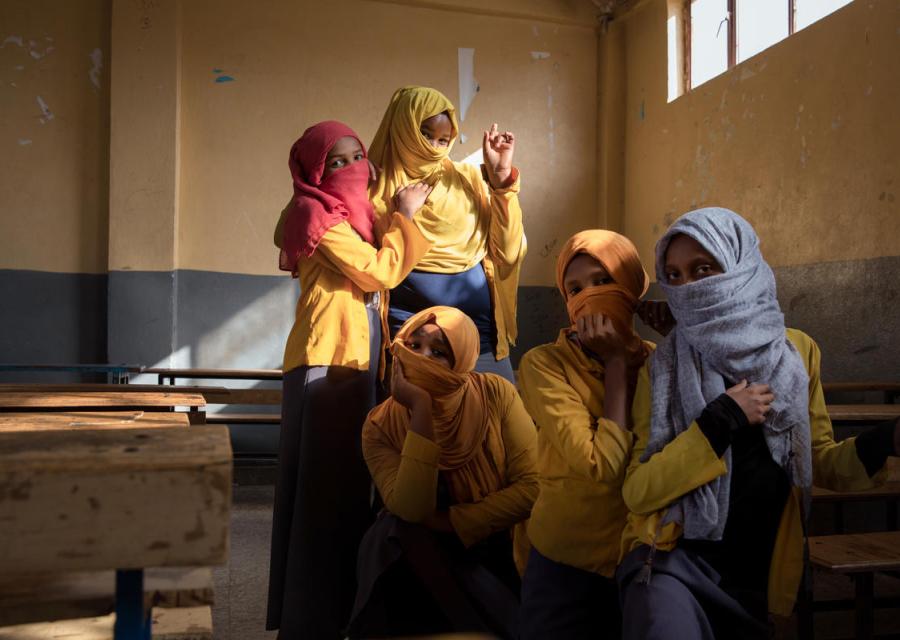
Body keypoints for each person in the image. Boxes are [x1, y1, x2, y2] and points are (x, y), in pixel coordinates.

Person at [617, 207, 900, 639]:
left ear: (740, 267)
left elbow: (816, 461)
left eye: (703, 269)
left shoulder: (797, 353)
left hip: (758, 575)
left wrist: (887, 440)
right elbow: (639, 491)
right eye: (673, 276)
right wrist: (719, 421)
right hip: (674, 563)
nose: (687, 287)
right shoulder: (666, 366)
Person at [266, 120, 434, 639]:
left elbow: (379, 245)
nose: (348, 169)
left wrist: (386, 206)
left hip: (355, 361)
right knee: (324, 490)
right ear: (311, 172)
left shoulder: (352, 216)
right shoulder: (313, 214)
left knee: (346, 487)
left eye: (355, 157)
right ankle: (313, 617)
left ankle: (341, 606)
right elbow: (381, 271)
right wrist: (402, 215)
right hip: (328, 362)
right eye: (334, 162)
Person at [347, 306, 539, 639]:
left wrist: (454, 522)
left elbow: (533, 487)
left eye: (439, 353)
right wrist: (420, 408)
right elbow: (412, 509)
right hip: (413, 557)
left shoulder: (496, 394)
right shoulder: (380, 425)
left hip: (491, 546)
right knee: (396, 530)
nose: (421, 358)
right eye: (414, 345)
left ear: (462, 361)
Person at [516, 230, 654, 639]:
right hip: (565, 561)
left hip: (637, 556)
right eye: (574, 289)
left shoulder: (656, 361)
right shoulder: (544, 364)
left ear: (631, 287)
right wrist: (614, 365)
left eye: (603, 281)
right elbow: (602, 464)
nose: (587, 297)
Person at [368, 86, 526, 382]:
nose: (433, 147)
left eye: (443, 139)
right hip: (412, 345)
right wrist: (403, 214)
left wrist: (501, 183)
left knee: (494, 420)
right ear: (402, 129)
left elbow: (508, 251)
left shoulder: (468, 180)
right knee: (415, 423)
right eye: (425, 134)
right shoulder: (374, 188)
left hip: (481, 342)